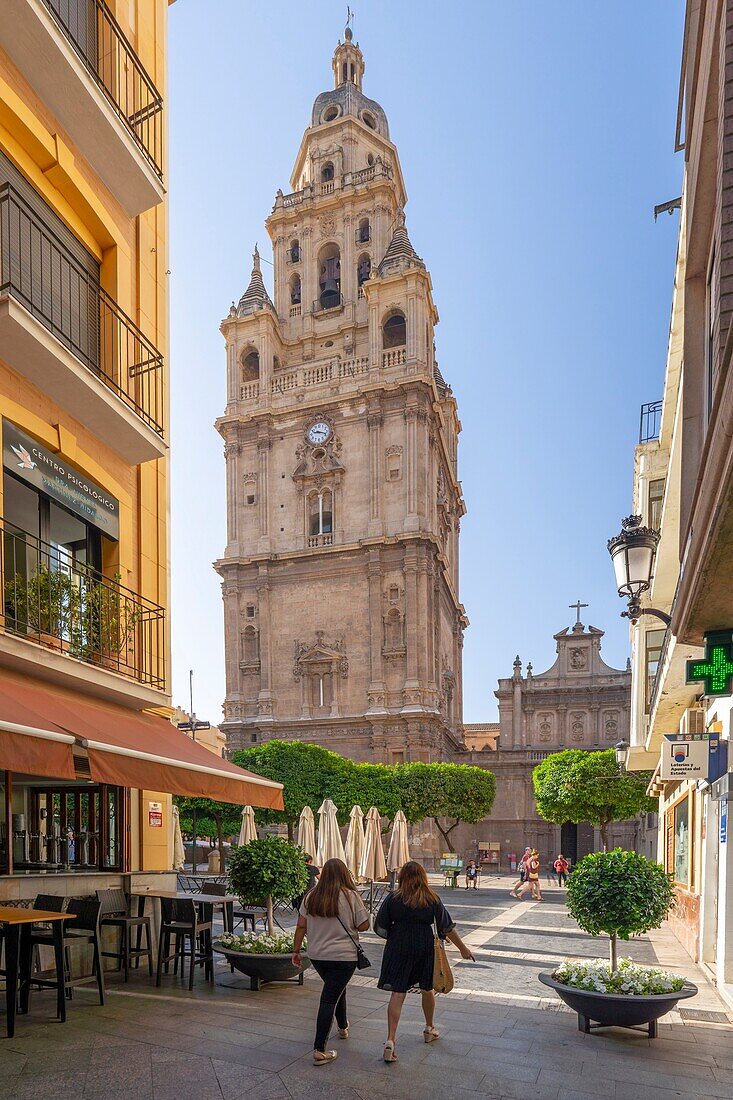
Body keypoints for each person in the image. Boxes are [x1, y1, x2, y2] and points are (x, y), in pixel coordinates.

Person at [375, 861, 474, 1063]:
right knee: (427, 988)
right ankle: (429, 1028)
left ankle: (390, 1039)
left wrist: (397, 936)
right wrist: (463, 949)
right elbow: (446, 927)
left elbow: (381, 926)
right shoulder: (431, 899)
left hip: (398, 946)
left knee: (397, 991)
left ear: (402, 877)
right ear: (423, 877)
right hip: (424, 946)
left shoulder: (393, 898)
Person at [292, 858, 370, 1067]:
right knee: (329, 997)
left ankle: (343, 1026)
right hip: (344, 957)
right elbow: (364, 926)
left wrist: (296, 950)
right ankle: (319, 1049)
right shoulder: (351, 896)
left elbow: (300, 926)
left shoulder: (311, 896)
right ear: (344, 874)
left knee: (336, 989)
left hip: (317, 956)